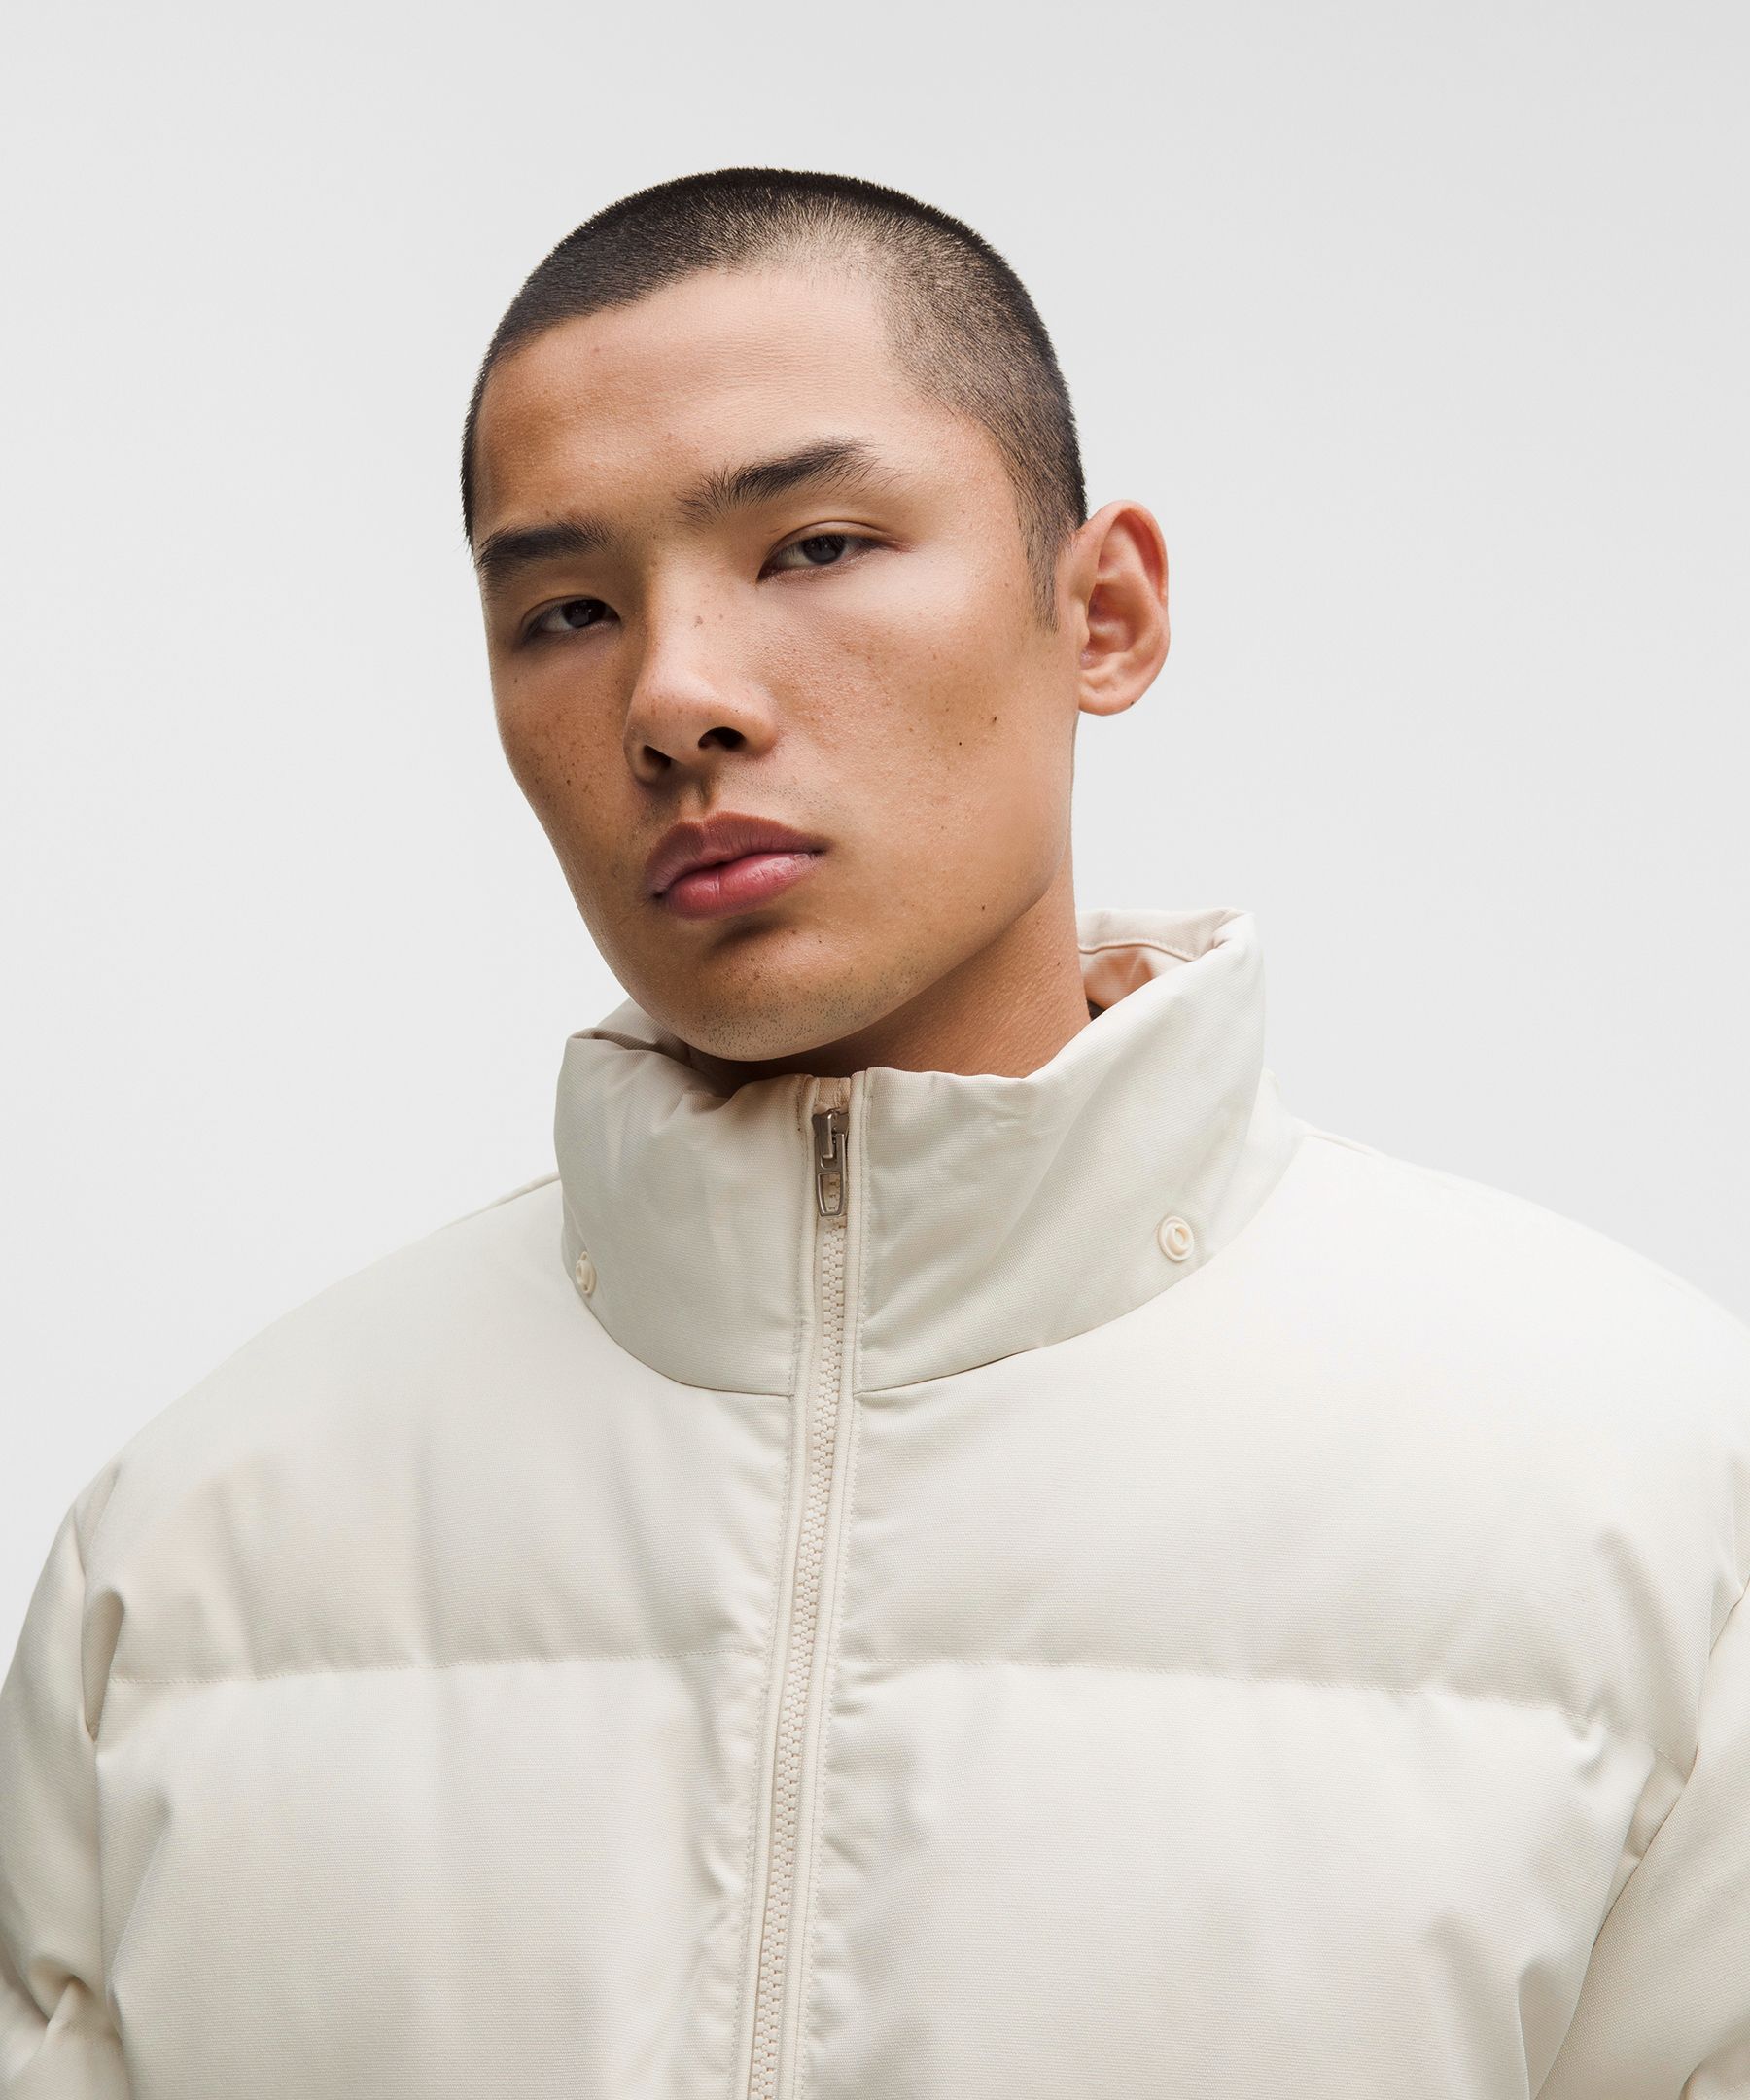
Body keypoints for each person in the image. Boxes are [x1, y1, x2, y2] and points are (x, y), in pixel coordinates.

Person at [1, 165, 1746, 2100]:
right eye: (566, 609)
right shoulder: (189, 1561)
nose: (675, 696)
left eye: (815, 546)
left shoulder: (1653, 1503)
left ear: (1103, 613)